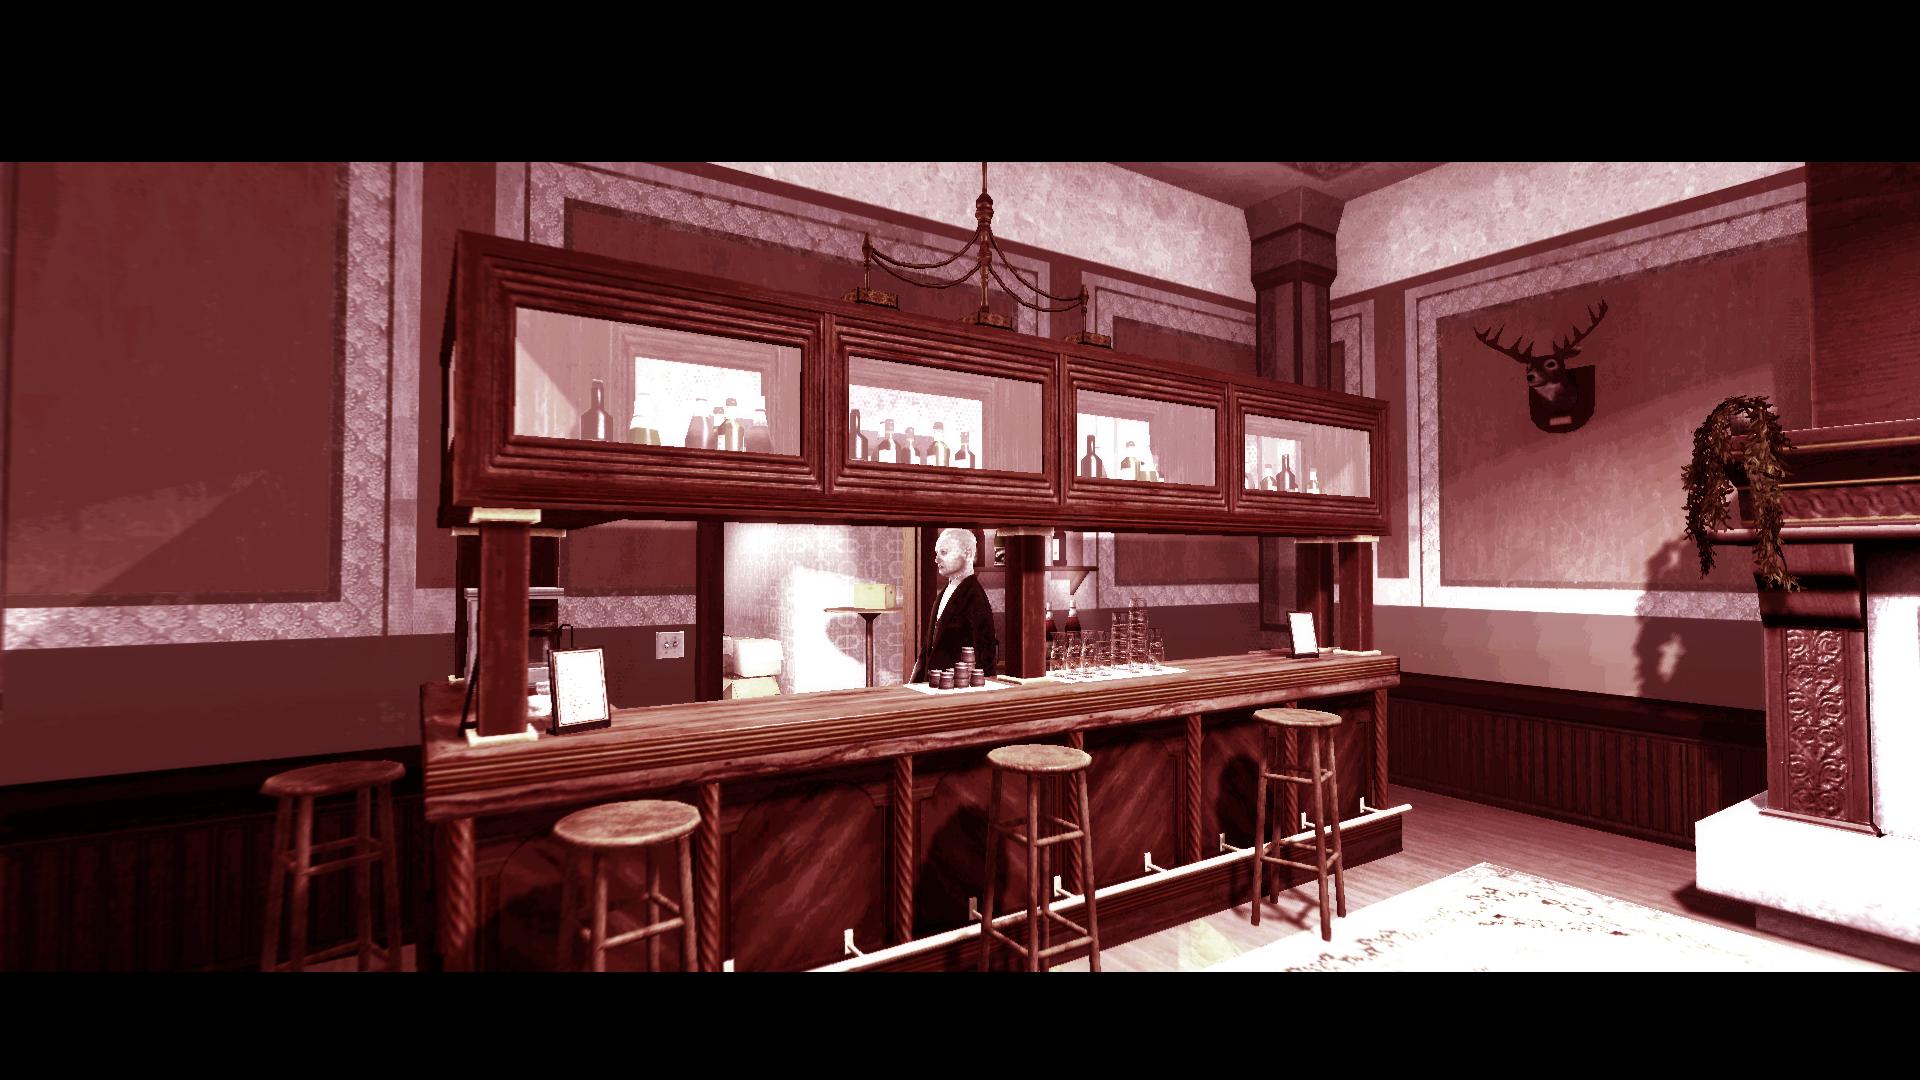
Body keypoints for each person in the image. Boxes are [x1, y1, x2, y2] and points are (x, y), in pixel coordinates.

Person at [912, 527, 997, 682]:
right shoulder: (944, 592)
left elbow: (984, 656)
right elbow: (928, 649)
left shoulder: (975, 597)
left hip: (957, 689)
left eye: (944, 552)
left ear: (968, 554)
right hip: (932, 687)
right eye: (937, 553)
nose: (937, 559)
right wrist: (914, 685)